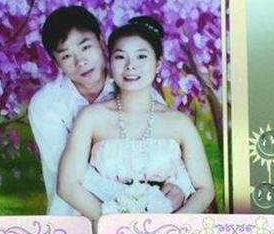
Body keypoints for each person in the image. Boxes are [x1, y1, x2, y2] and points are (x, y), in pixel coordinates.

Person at [28, 7, 188, 215]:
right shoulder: (46, 104)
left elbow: (166, 149)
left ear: (101, 41)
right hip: (73, 215)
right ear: (55, 61)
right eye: (66, 56)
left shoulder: (133, 85)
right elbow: (69, 172)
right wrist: (133, 202)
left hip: (144, 216)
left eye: (86, 47)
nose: (80, 61)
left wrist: (180, 186)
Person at [57, 16, 215, 220]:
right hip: (106, 229)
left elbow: (205, 189)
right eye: (120, 57)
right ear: (110, 63)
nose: (130, 65)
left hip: (166, 231)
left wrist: (171, 225)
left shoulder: (179, 123)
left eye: (141, 56)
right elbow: (67, 185)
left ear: (158, 64)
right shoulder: (91, 118)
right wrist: (113, 223)